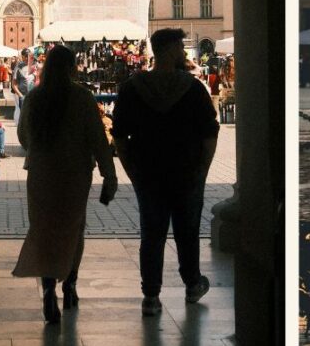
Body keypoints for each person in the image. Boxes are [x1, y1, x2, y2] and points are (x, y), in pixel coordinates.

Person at [112, 28, 220, 317]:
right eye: (180, 47)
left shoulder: (133, 88)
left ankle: (151, 295)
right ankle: (192, 283)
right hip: (187, 171)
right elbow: (210, 133)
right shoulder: (192, 88)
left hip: (148, 172)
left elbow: (119, 135)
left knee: (152, 233)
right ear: (171, 50)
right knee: (188, 231)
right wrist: (203, 169)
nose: (183, 52)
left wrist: (132, 170)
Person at [12, 45, 118, 323]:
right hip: (75, 172)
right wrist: (109, 174)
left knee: (44, 229)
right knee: (73, 229)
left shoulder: (35, 97)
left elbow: (23, 136)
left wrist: (41, 148)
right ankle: (70, 284)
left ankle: (49, 288)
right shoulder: (82, 97)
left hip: (42, 172)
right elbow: (98, 139)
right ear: (72, 68)